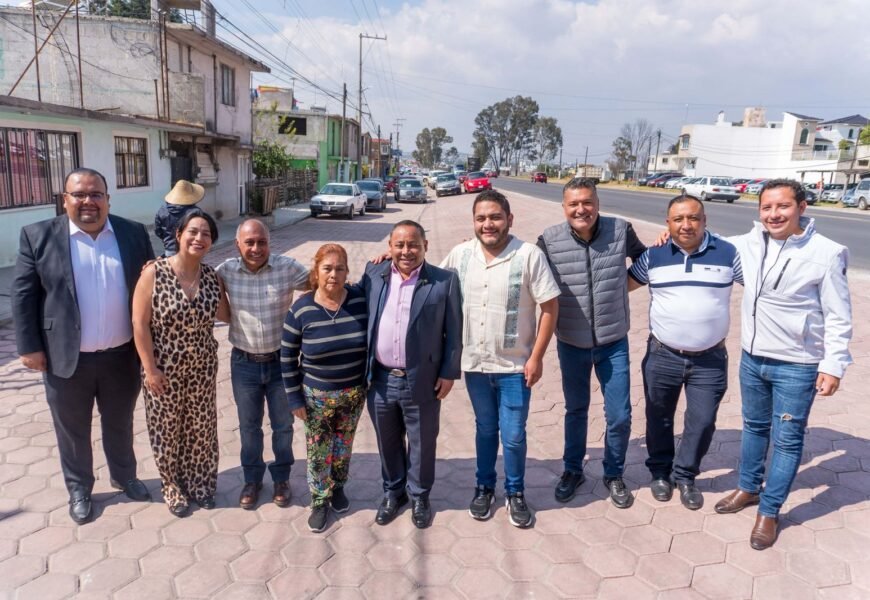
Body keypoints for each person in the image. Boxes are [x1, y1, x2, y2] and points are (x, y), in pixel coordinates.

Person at [713, 179, 852, 550]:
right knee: (754, 429)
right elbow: (702, 237)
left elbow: (839, 316)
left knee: (787, 441)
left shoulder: (827, 252)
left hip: (798, 364)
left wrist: (833, 365)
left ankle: (770, 511)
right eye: (766, 208)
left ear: (802, 208)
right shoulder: (748, 243)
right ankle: (747, 489)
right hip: (752, 358)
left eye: (783, 207)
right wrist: (672, 232)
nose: (774, 214)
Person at [12, 168, 154, 524]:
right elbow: (23, 294)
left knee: (119, 422)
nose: (88, 201)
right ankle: (80, 489)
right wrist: (29, 346)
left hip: (122, 357)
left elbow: (151, 290)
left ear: (108, 198)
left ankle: (125, 476)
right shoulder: (38, 236)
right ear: (65, 200)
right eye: (79, 195)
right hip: (64, 357)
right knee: (73, 429)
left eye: (96, 194)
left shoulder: (133, 233)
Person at [440, 191, 560, 528]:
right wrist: (387, 260)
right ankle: (484, 487)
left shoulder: (529, 256)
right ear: (473, 222)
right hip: (475, 365)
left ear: (509, 219)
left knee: (514, 434)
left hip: (514, 368)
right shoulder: (461, 255)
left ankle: (516, 492)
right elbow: (430, 283)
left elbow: (550, 306)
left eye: (495, 217)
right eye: (481, 218)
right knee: (485, 430)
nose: (488, 224)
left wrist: (536, 357)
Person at [628, 195, 743, 511]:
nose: (686, 224)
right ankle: (661, 473)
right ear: (668, 223)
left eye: (693, 218)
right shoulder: (654, 256)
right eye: (678, 219)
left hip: (710, 359)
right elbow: (624, 285)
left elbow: (762, 285)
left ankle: (686, 475)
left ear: (705, 221)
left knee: (703, 421)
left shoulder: (728, 254)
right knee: (659, 418)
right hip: (662, 355)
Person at [537, 178, 646, 509]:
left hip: (614, 341)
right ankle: (573, 470)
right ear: (564, 207)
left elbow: (646, 261)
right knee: (576, 410)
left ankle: (613, 473)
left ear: (597, 204)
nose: (581, 209)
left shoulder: (620, 230)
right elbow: (528, 272)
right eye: (574, 204)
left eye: (587, 202)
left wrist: (621, 288)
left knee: (620, 415)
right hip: (570, 341)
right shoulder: (549, 240)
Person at [362, 220, 462, 529]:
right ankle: (394, 492)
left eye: (413, 245)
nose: (406, 251)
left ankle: (419, 495)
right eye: (400, 245)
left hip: (421, 378)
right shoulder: (373, 274)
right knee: (387, 440)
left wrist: (448, 372)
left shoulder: (444, 281)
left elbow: (454, 332)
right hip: (378, 379)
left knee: (422, 441)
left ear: (425, 247)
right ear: (389, 247)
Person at [131, 209, 227, 517]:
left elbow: (226, 314)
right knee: (167, 431)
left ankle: (201, 484)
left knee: (201, 430)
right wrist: (149, 369)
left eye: (206, 234)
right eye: (193, 232)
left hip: (202, 369)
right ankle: (172, 488)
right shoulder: (154, 273)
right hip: (163, 371)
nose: (199, 238)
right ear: (179, 235)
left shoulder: (212, 277)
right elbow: (139, 323)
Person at [216, 219, 309, 510]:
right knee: (249, 427)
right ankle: (252, 480)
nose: (256, 248)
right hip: (244, 363)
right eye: (249, 242)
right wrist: (157, 266)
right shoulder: (225, 271)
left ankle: (281, 478)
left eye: (262, 242)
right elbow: (189, 275)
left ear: (270, 243)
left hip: (282, 364)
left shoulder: (288, 267)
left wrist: (377, 266)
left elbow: (324, 277)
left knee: (283, 426)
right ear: (238, 245)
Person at [280, 244, 368, 533]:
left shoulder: (358, 300)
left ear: (347, 272)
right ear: (316, 272)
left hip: (354, 394)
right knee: (319, 452)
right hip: (316, 397)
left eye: (340, 268)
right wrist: (294, 398)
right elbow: (287, 356)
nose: (334, 274)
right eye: (327, 268)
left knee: (343, 447)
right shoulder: (301, 308)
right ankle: (319, 500)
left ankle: (339, 487)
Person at [154, 179, 205, 257]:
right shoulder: (196, 212)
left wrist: (168, 239)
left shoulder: (162, 210)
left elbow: (158, 231)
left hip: (169, 250)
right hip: (189, 250)